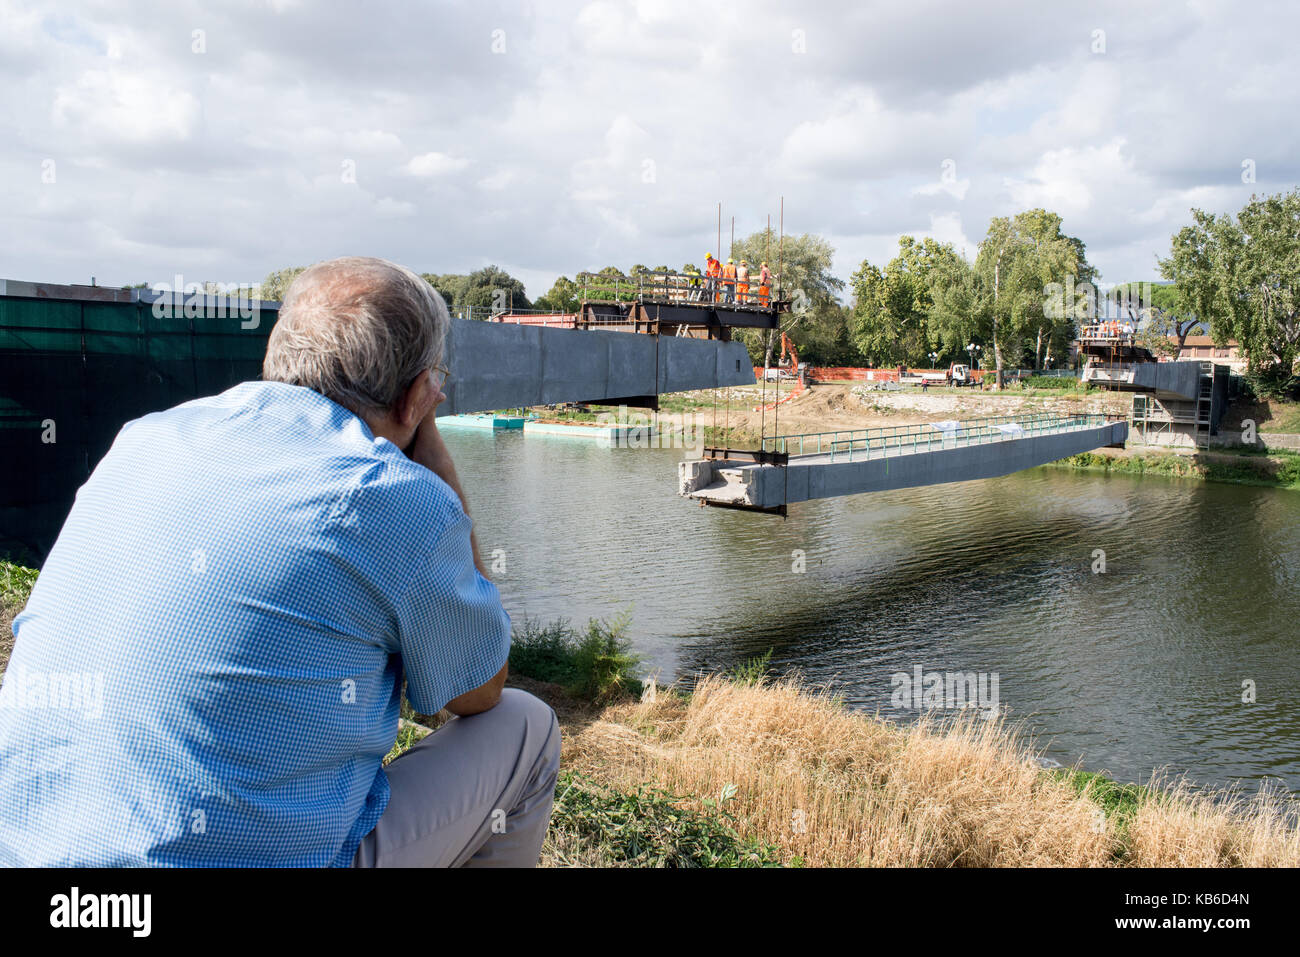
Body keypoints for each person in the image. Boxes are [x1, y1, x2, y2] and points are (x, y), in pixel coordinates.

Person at [0, 257, 561, 868]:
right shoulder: (392, 496)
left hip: (38, 859)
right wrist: (440, 471)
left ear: (278, 351)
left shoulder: (144, 438)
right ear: (419, 397)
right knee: (527, 727)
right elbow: (475, 690)